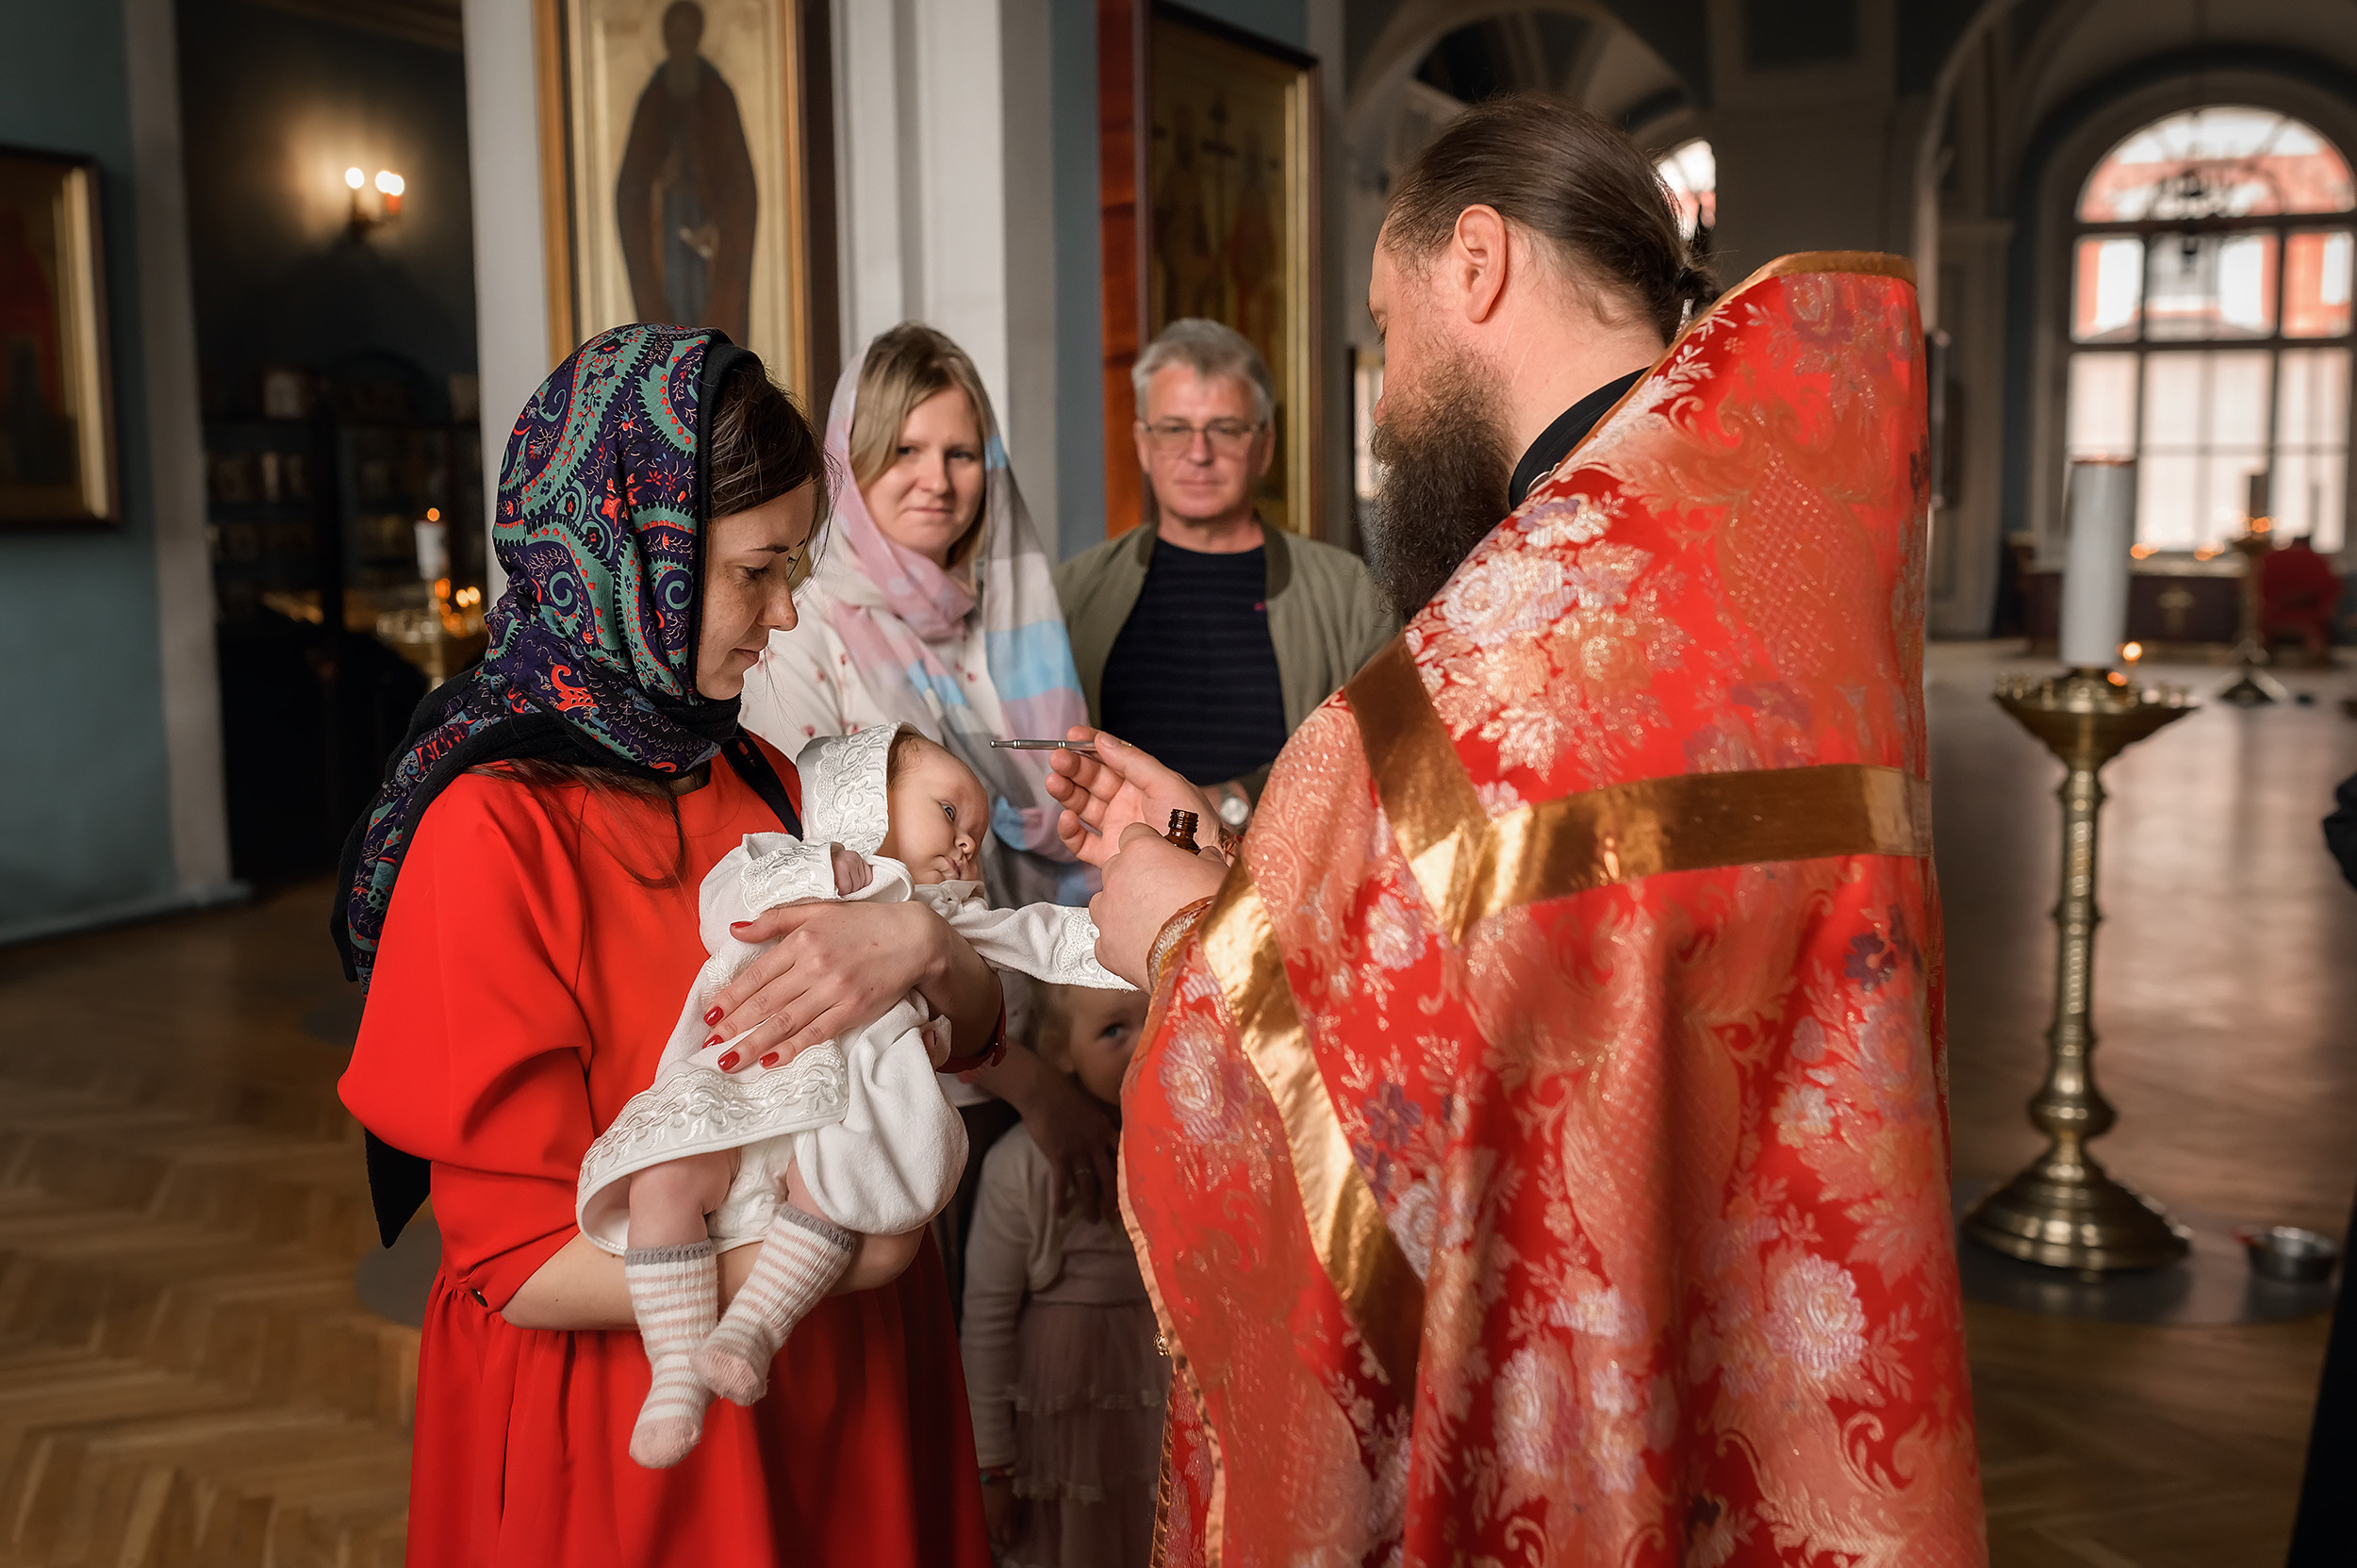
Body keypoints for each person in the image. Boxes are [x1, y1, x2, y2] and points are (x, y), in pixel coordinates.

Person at [1049, 95, 1986, 1562]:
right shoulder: (1804, 570)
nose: (1383, 395)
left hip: (1577, 1417)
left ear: (1471, 261)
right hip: (1800, 1388)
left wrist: (1183, 930)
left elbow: (1332, 1114)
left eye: (1383, 323)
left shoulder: (1496, 653)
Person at [336, 324, 995, 1566]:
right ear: (637, 564)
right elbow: (517, 1256)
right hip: (643, 1435)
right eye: (756, 571)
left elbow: (967, 1023)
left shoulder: (753, 771)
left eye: (796, 561)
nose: (789, 609)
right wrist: (844, 1249)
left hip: (841, 1402)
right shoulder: (489, 829)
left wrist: (920, 942)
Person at [573, 723, 1129, 1469]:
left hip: (850, 1098)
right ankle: (675, 1367)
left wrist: (1151, 929)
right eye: (949, 811)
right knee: (667, 1176)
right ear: (870, 795)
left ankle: (752, 1331)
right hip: (747, 1076)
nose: (968, 843)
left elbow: (1041, 936)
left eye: (978, 832)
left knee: (834, 1186)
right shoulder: (787, 858)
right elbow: (723, 902)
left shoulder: (943, 913)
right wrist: (826, 872)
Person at [739, 323, 1113, 1291]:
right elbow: (829, 915)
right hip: (905, 1084)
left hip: (1035, 1031)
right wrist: (1030, 1087)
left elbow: (1048, 845)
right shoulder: (803, 633)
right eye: (902, 449)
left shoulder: (1000, 622)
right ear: (848, 460)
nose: (935, 479)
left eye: (959, 452)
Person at [1055, 319, 1395, 832]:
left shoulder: (1350, 594)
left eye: (1225, 429)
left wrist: (1234, 803)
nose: (1199, 453)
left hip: (1288, 887)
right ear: (1143, 444)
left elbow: (1387, 750)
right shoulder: (1073, 593)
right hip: (1111, 886)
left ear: (1264, 445)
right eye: (1174, 429)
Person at [960, 981, 1163, 1567]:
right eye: (1112, 1030)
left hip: (1160, 1390)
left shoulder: (1195, 1150)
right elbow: (987, 1324)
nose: (1145, 1040)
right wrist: (992, 1467)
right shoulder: (1020, 1166)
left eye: (1159, 1013)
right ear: (1060, 1050)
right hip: (1062, 1407)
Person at [617, 1, 757, 346]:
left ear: (697, 39)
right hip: (664, 232)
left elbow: (741, 186)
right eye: (674, 40)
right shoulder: (653, 100)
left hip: (711, 237)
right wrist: (658, 182)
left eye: (686, 38)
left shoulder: (717, 96)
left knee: (707, 313)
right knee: (673, 311)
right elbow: (630, 188)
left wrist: (717, 223)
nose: (680, 48)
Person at [2261, 533, 2342, 663]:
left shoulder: (2274, 559)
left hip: (2280, 612)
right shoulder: (2316, 561)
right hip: (2295, 613)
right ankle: (2316, 661)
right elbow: (2330, 587)